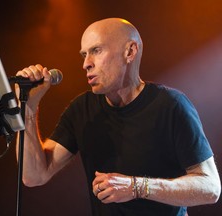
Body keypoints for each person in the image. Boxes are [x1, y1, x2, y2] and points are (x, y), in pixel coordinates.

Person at [15, 18, 221, 216]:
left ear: (130, 51)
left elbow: (210, 187)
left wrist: (136, 187)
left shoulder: (171, 105)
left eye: (96, 51)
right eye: (83, 54)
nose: (86, 64)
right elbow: (34, 176)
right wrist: (29, 109)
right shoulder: (82, 109)